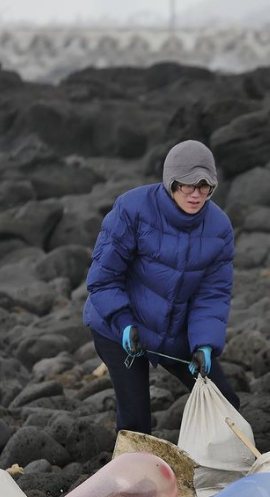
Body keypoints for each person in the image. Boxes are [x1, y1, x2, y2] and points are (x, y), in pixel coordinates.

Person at [83, 139, 241, 435]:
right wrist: (124, 323)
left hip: (174, 328)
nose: (196, 194)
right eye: (188, 185)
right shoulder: (132, 209)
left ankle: (215, 472)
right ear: (171, 182)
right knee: (136, 422)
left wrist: (204, 344)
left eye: (205, 186)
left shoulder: (219, 228)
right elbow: (103, 279)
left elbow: (212, 295)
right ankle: (131, 478)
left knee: (225, 403)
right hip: (120, 326)